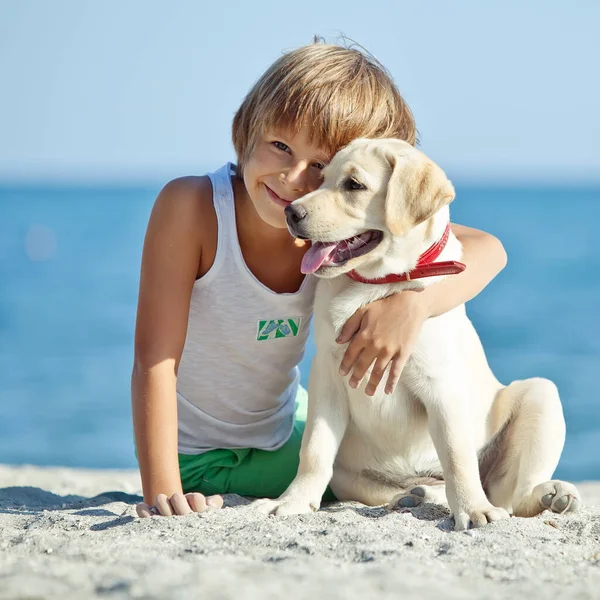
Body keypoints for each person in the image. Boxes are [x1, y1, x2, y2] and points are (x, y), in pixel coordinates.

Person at [132, 42, 507, 518]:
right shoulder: (192, 208)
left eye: (323, 168)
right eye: (280, 146)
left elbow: (489, 249)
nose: (293, 178)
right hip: (199, 459)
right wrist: (162, 491)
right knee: (352, 467)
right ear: (243, 131)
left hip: (285, 427)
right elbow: (153, 361)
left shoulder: (332, 233)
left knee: (364, 424)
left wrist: (415, 304)